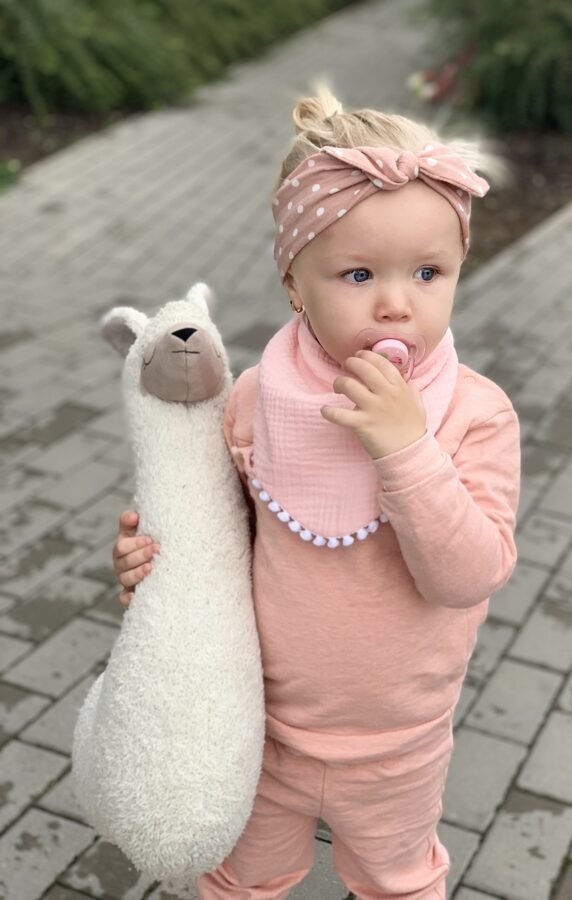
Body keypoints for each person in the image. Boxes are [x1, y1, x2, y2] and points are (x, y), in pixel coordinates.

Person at [111, 83, 521, 900]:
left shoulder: (475, 413)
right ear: (295, 285)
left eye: (428, 272)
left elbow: (468, 574)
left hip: (397, 745)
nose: (396, 301)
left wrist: (406, 448)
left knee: (399, 884)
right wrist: (151, 568)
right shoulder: (256, 399)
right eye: (358, 272)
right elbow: (212, 535)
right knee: (238, 881)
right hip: (256, 723)